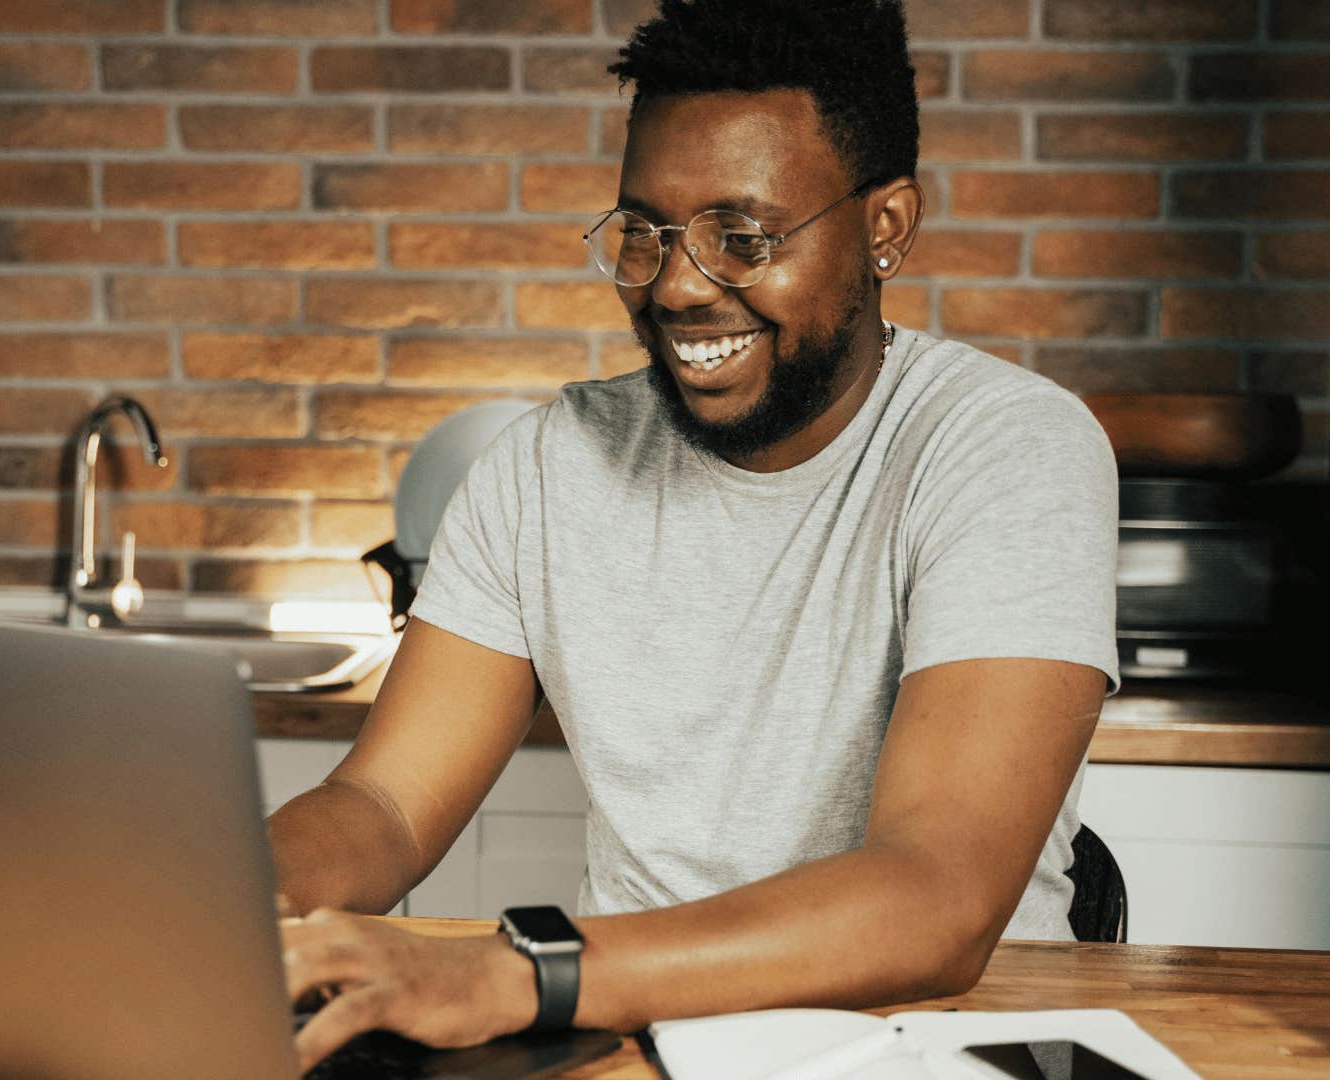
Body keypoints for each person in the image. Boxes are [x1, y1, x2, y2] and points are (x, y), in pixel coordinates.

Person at [268, 0, 1120, 1068]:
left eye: (741, 238)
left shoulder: (1006, 448)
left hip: (929, 1050)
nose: (676, 286)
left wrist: (518, 971)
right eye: (647, 235)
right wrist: (230, 899)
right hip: (626, 1044)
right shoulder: (545, 466)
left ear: (886, 226)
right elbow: (384, 803)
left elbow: (934, 899)